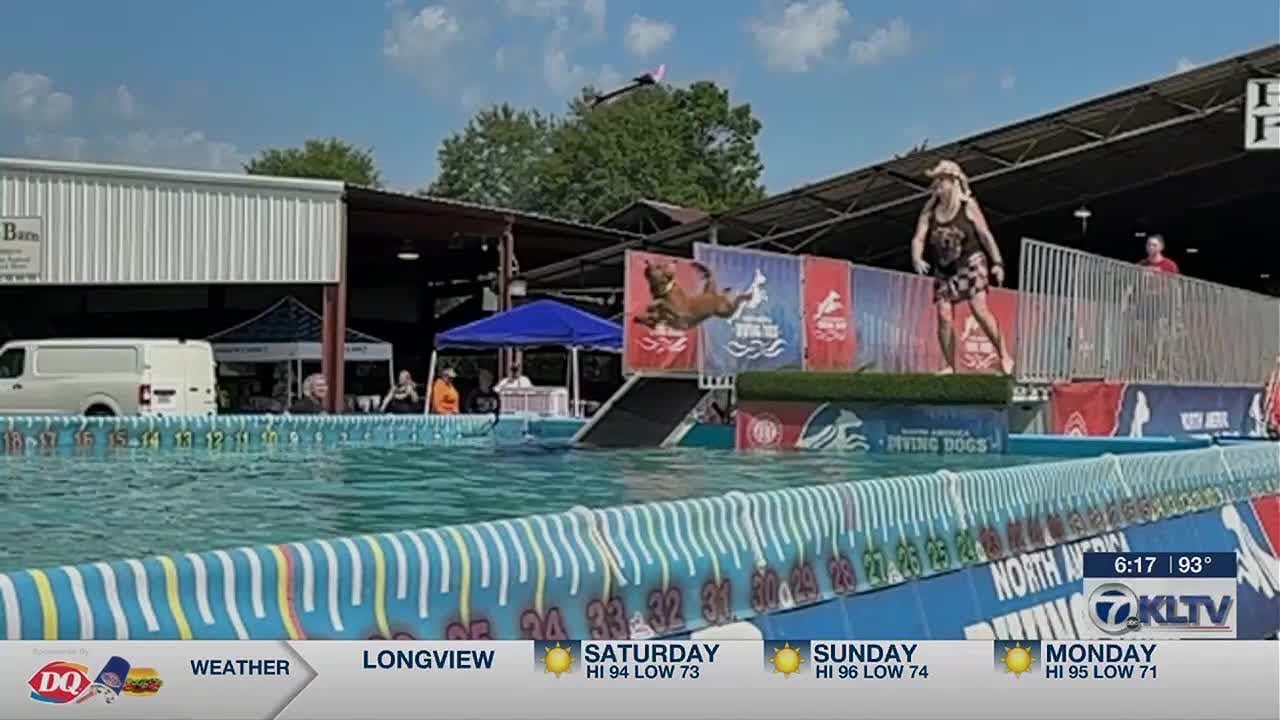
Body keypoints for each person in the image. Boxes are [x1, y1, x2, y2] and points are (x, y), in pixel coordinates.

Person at [910, 159, 1014, 375]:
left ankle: (1004, 355)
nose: (937, 185)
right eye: (936, 181)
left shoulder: (967, 205)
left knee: (979, 309)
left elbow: (985, 235)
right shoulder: (930, 210)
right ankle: (949, 365)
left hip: (971, 262)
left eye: (941, 180)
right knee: (944, 314)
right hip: (946, 269)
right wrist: (917, 258)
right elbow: (919, 238)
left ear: (953, 181)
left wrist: (997, 263)